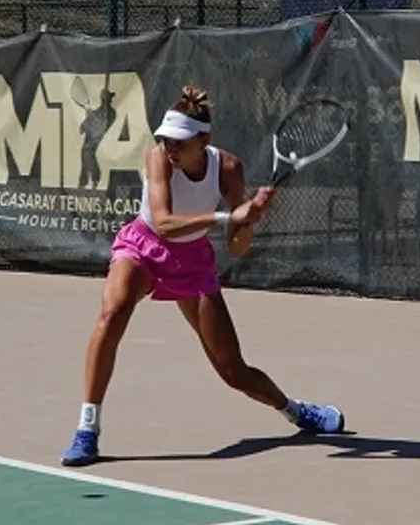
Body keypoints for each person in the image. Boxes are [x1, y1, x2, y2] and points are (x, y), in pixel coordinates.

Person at [60, 85, 345, 467]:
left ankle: (296, 411)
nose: (170, 148)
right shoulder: (158, 158)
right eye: (166, 139)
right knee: (113, 312)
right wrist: (228, 216)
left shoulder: (228, 169)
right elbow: (163, 222)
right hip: (143, 247)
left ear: (204, 140)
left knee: (233, 370)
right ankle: (87, 429)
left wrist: (250, 218)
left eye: (179, 142)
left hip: (192, 263)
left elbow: (237, 246)